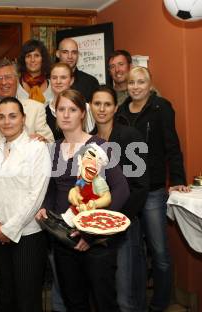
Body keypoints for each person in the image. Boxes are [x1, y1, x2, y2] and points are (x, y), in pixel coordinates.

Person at [36, 89, 130, 312]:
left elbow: (122, 190)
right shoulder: (53, 149)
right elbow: (51, 189)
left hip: (95, 242)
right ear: (55, 113)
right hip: (64, 237)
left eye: (72, 109)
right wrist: (45, 208)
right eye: (61, 109)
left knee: (104, 301)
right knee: (74, 302)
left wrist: (93, 232)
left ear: (82, 114)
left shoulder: (99, 146)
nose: (66, 115)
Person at [0, 58, 54, 312]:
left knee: (28, 300)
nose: (6, 121)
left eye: (12, 116)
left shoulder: (36, 148)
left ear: (23, 118)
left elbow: (36, 194)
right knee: (6, 297)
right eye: (1, 117)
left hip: (28, 235)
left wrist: (10, 227)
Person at [116, 66, 190, 312]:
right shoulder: (121, 111)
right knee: (134, 253)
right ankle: (136, 304)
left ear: (149, 84)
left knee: (159, 252)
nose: (135, 86)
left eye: (140, 82)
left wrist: (177, 178)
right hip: (128, 191)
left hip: (154, 191)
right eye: (131, 82)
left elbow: (172, 145)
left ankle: (159, 304)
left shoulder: (161, 108)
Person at [90, 86, 149, 312]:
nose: (102, 109)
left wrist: (119, 219)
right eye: (97, 104)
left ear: (115, 108)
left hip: (125, 220)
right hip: (99, 223)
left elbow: (141, 185)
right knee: (105, 288)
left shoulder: (130, 135)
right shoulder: (90, 139)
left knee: (126, 291)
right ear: (90, 107)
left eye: (107, 104)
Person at [0, 58, 54, 145]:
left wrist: (42, 141)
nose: (4, 82)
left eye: (8, 77)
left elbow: (50, 144)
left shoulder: (36, 108)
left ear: (17, 80)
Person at [47, 62, 95, 140]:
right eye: (54, 78)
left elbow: (91, 137)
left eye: (63, 77)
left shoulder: (84, 107)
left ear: (71, 80)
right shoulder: (44, 111)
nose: (58, 81)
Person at [56, 38, 99, 102]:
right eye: (65, 52)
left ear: (78, 55)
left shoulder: (90, 82)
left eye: (74, 52)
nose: (70, 56)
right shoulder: (48, 80)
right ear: (58, 54)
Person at [17, 39, 53, 104]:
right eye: (28, 56)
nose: (32, 60)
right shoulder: (16, 85)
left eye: (36, 56)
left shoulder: (52, 85)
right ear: (23, 60)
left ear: (43, 59)